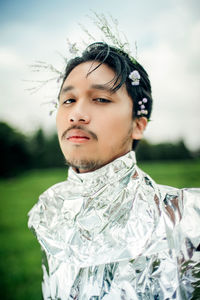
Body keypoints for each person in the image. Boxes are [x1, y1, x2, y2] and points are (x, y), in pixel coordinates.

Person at [28, 42, 200, 299]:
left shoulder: (186, 221)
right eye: (68, 100)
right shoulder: (49, 214)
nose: (76, 114)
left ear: (138, 125)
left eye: (100, 99)